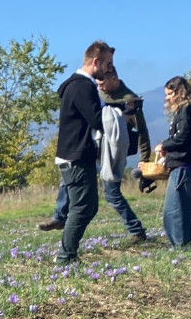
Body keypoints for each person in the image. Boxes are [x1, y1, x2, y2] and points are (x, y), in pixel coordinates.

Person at [40, 66, 152, 245]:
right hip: (93, 149)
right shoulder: (96, 94)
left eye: (103, 83)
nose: (100, 86)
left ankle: (136, 230)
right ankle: (60, 216)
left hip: (112, 153)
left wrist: (145, 159)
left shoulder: (130, 100)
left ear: (114, 79)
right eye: (98, 83)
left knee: (112, 194)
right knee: (68, 180)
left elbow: (142, 131)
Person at [47, 41, 115, 264]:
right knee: (82, 207)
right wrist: (121, 111)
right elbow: (97, 119)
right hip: (76, 156)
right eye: (107, 64)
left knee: (87, 206)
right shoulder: (82, 86)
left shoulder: (76, 85)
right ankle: (65, 258)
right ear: (95, 62)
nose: (109, 69)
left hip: (75, 155)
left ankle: (68, 255)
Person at [156, 76, 191, 248]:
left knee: (173, 211)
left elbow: (182, 137)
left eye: (170, 94)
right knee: (186, 208)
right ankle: (184, 243)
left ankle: (178, 246)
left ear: (180, 93)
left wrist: (164, 145)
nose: (168, 98)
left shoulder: (185, 111)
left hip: (184, 167)